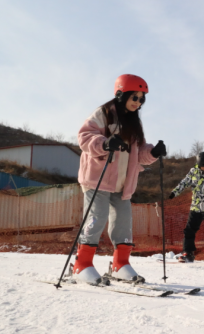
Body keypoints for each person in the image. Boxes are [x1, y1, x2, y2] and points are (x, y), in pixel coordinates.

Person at [74, 74, 167, 285]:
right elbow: (85, 136)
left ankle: (120, 264)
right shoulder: (104, 113)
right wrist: (105, 144)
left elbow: (139, 153)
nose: (138, 103)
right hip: (98, 178)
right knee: (96, 217)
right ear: (120, 94)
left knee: (124, 222)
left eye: (142, 99)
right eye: (134, 97)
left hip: (123, 183)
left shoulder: (134, 123)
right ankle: (82, 265)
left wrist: (153, 152)